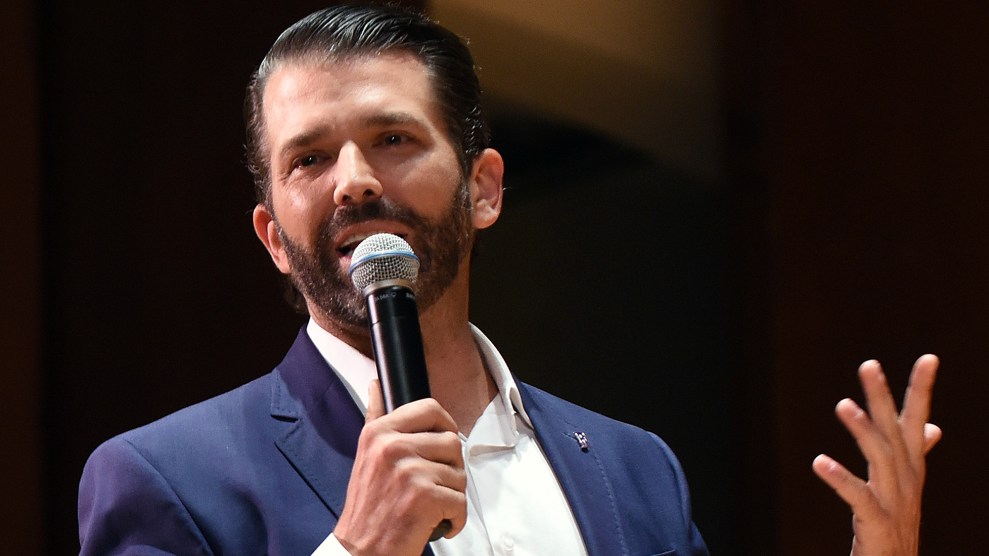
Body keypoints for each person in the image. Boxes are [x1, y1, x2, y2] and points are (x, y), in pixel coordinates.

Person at [77, 4, 941, 555]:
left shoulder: (635, 470)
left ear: (482, 189)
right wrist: (358, 550)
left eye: (392, 139)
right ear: (272, 236)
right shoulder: (167, 478)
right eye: (309, 158)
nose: (354, 182)